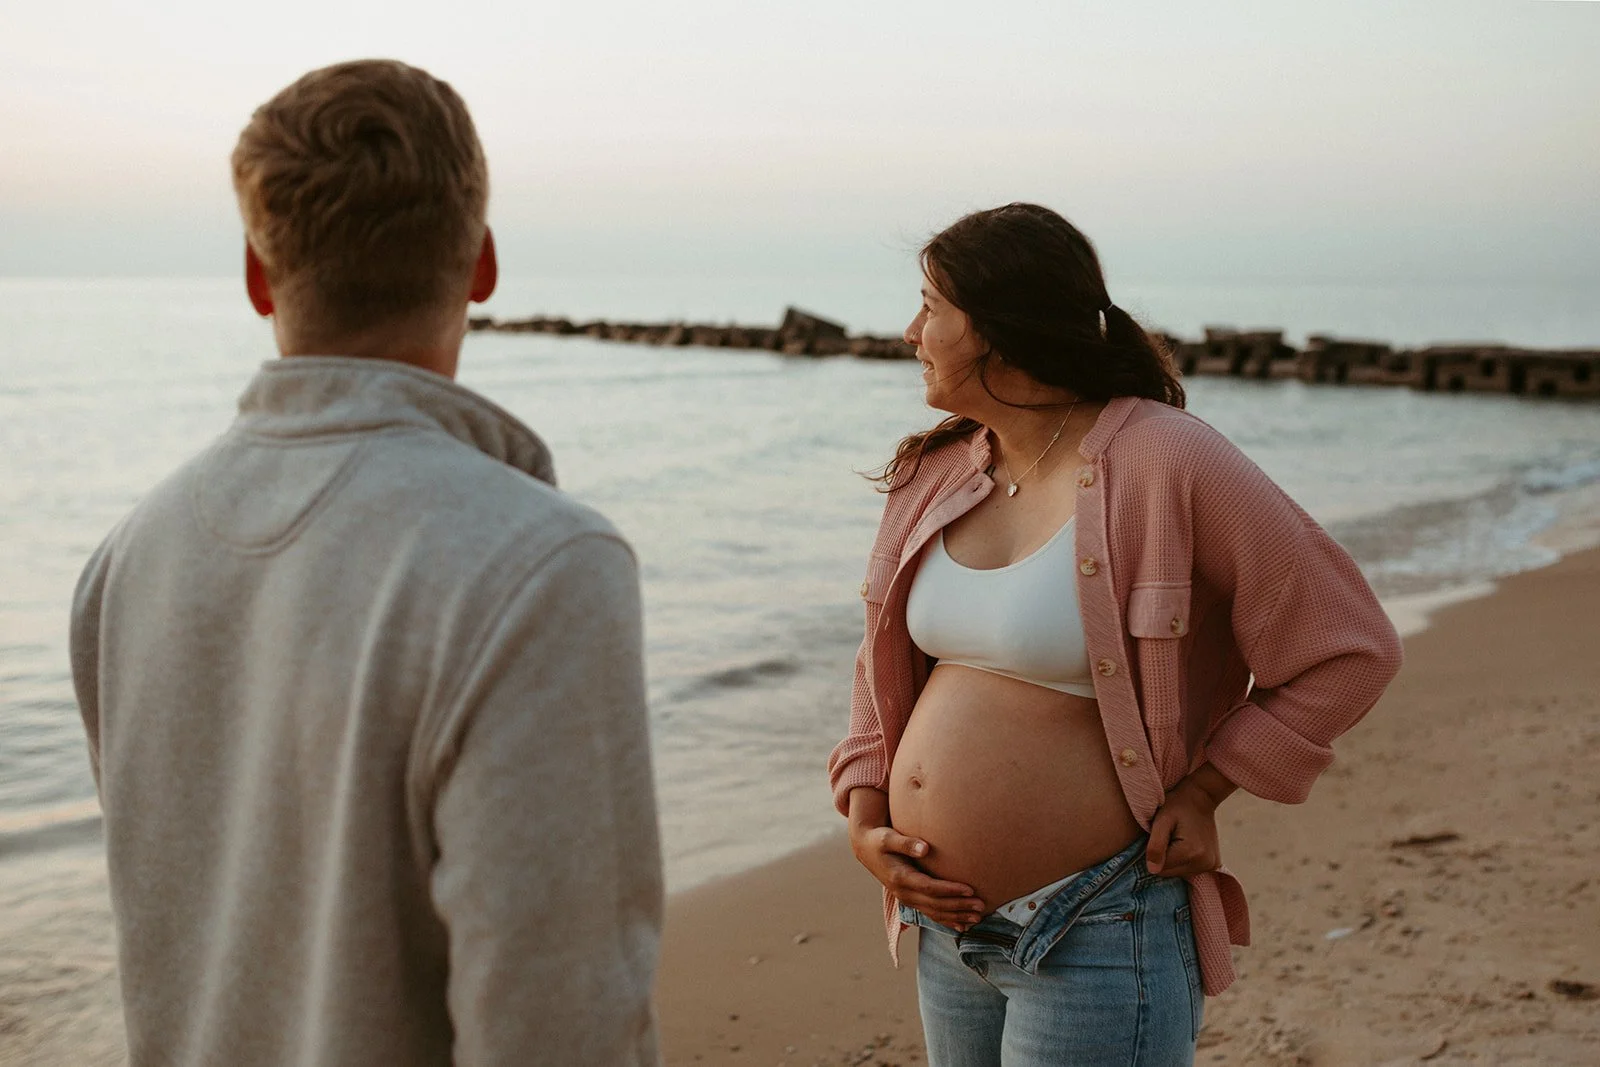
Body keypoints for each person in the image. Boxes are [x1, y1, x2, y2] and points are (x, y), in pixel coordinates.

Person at [69, 60, 662, 1066]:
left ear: (258, 276)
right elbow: (557, 1023)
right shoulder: (541, 563)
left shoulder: (128, 557)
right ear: (481, 262)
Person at [828, 203, 1403, 1065]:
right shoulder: (933, 470)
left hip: (1098, 923)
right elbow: (878, 673)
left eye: (930, 306)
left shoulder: (1171, 459)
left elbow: (1347, 646)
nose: (912, 331)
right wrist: (865, 815)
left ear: (997, 326)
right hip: (946, 932)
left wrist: (1208, 788)